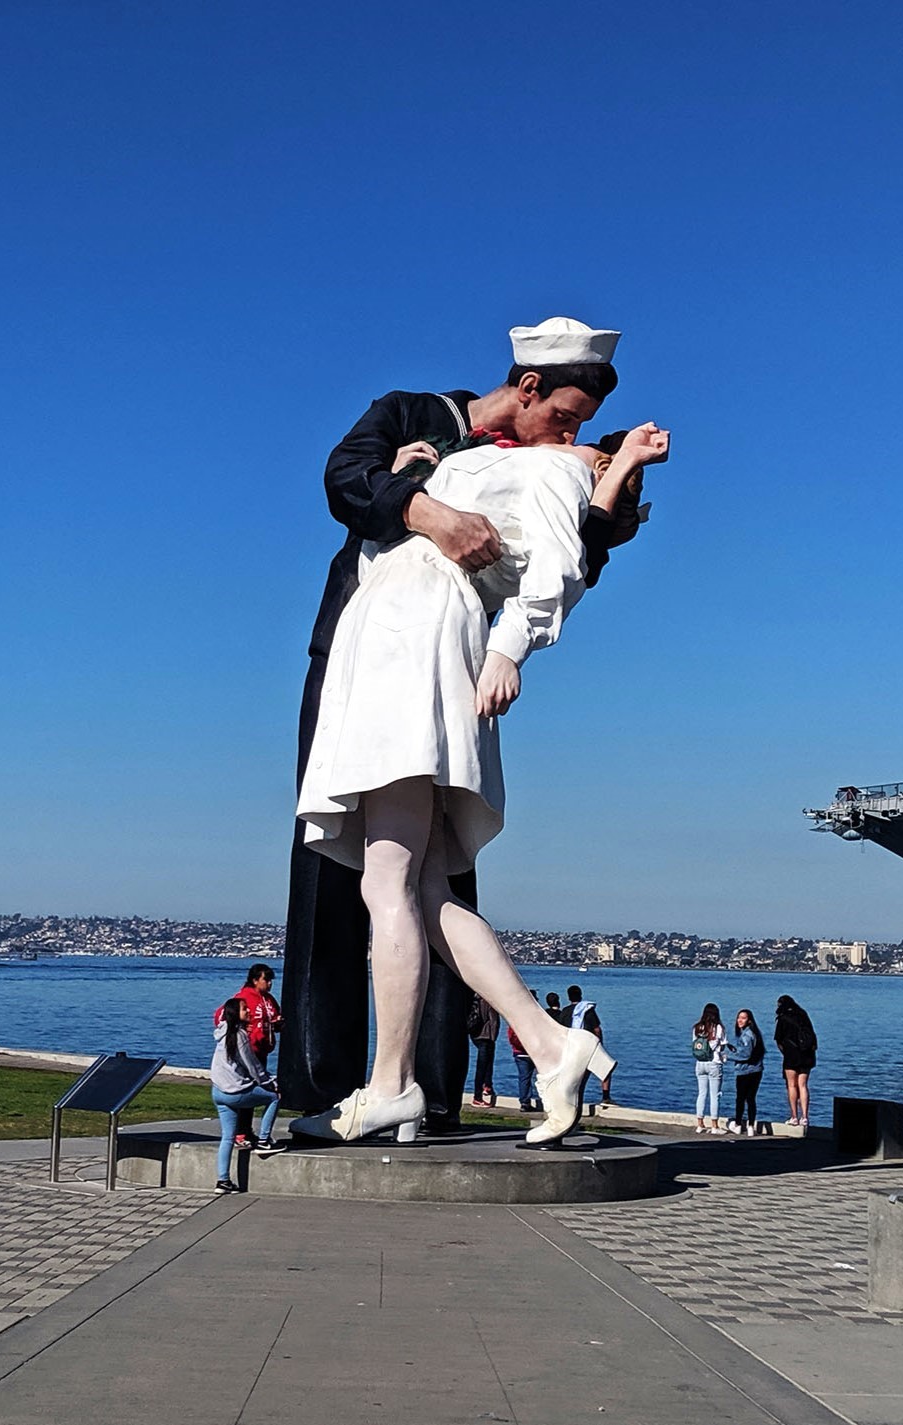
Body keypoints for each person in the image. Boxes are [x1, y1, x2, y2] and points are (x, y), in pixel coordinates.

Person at [280, 317, 646, 1131]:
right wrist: (416, 486)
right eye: (566, 417)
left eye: (584, 430)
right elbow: (346, 478)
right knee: (416, 883)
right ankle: (543, 1042)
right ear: (527, 387)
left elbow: (565, 563)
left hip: (410, 640)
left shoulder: (548, 465)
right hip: (382, 642)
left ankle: (398, 1083)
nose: (571, 435)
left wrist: (509, 647)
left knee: (387, 878)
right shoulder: (431, 426)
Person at [210, 996, 286, 1193]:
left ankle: (223, 1181)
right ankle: (264, 1140)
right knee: (274, 1097)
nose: (249, 1011)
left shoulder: (222, 1032)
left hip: (218, 1092)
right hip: (236, 1091)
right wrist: (270, 1084)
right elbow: (253, 1067)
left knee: (227, 1137)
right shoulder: (240, 1036)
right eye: (245, 1009)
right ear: (236, 1014)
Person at [774, 994, 818, 1128]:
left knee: (792, 1085)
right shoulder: (803, 1015)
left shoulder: (783, 1018)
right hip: (807, 1054)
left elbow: (778, 1039)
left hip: (791, 1055)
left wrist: (785, 1052)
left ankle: (794, 1116)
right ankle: (805, 1117)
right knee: (803, 1085)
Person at [566, 984, 613, 1104]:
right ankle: (606, 1097)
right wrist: (600, 1044)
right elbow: (597, 1029)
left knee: (576, 1078)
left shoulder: (565, 1011)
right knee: (606, 1069)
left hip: (572, 1048)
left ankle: (571, 1099)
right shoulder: (588, 1010)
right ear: (581, 995)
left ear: (568, 997)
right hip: (589, 1047)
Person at [727, 1008, 765, 1135]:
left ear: (749, 1021)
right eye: (739, 1017)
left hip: (745, 1071)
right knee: (751, 1099)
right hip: (757, 1070)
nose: (739, 1020)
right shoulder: (755, 1034)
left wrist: (727, 1056)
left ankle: (738, 1124)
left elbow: (745, 1055)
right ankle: (751, 1126)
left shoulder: (746, 1036)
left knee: (740, 1098)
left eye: (743, 1018)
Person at [691, 1002, 728, 1134]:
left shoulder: (697, 1027)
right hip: (714, 1063)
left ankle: (700, 1124)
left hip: (700, 1063)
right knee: (714, 1096)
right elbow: (722, 1046)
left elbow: (695, 1044)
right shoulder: (718, 1028)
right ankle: (714, 1126)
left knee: (701, 1094)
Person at [468, 993, 500, 1106]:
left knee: (484, 1064)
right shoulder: (490, 1001)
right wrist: (494, 1037)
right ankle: (478, 1096)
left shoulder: (473, 999)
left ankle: (487, 1086)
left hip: (475, 1034)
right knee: (483, 1065)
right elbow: (494, 1020)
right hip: (486, 1036)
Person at [507, 1011, 539, 1112]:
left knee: (524, 1078)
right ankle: (546, 1100)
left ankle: (525, 1102)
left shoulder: (514, 1022)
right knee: (540, 1078)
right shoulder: (532, 1022)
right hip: (533, 1052)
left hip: (519, 1053)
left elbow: (510, 1037)